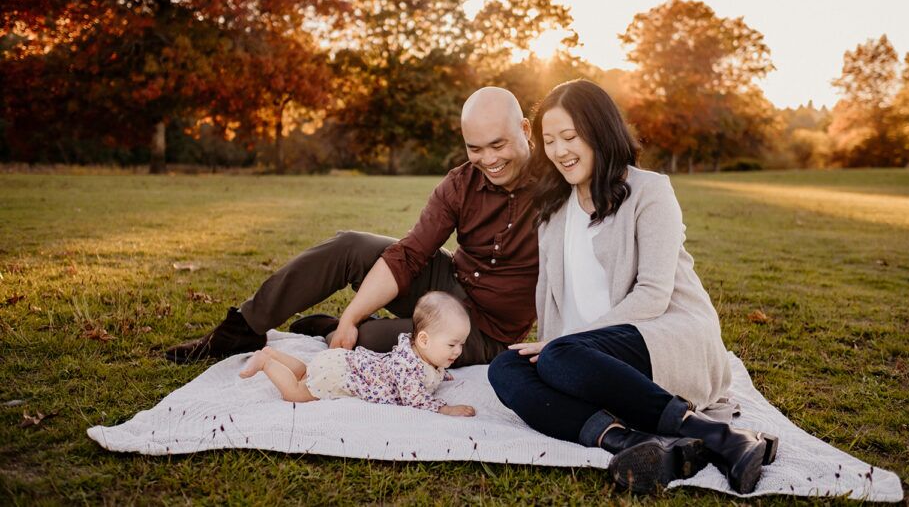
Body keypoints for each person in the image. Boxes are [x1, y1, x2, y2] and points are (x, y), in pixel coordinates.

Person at [487, 79, 778, 495]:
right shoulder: (551, 210)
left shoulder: (649, 191)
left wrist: (564, 345)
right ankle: (634, 443)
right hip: (580, 357)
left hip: (659, 336)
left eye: (570, 137)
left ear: (600, 132)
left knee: (561, 354)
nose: (559, 151)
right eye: (549, 141)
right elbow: (551, 299)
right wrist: (554, 345)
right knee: (505, 367)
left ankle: (722, 437)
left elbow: (653, 295)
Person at [165, 86, 539, 368]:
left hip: (487, 330)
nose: (488, 159)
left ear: (524, 129)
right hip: (450, 282)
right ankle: (240, 330)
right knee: (352, 245)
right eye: (475, 148)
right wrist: (351, 314)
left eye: (498, 145)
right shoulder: (460, 184)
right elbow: (408, 256)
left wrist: (349, 326)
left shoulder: (558, 187)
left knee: (370, 340)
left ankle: (333, 328)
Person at [238, 291, 476, 416]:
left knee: (305, 372)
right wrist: (445, 409)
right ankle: (266, 363)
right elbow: (414, 399)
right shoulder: (408, 368)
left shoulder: (425, 355)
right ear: (423, 340)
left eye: (461, 344)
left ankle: (273, 354)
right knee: (297, 393)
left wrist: (441, 374)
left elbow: (431, 369)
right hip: (341, 375)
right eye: (452, 345)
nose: (458, 351)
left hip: (340, 363)